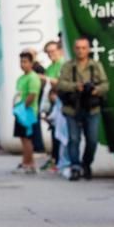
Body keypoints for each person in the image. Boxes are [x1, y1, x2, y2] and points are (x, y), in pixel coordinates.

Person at [56, 37, 108, 181]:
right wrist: (75, 87)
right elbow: (60, 85)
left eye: (84, 48)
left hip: (91, 109)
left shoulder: (95, 66)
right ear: (74, 49)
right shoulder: (68, 66)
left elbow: (105, 85)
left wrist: (95, 90)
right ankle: (75, 167)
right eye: (78, 48)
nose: (81, 51)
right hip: (72, 108)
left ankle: (86, 164)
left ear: (88, 49)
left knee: (92, 140)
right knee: (74, 139)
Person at [12, 51, 41, 174]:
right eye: (21, 62)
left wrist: (23, 108)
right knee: (23, 139)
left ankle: (27, 164)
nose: (22, 64)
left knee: (27, 139)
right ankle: (29, 162)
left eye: (25, 62)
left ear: (31, 63)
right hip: (20, 112)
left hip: (28, 112)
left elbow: (32, 95)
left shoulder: (33, 77)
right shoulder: (21, 78)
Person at [39, 40, 65, 171]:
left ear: (60, 50)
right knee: (54, 134)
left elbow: (60, 82)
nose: (50, 54)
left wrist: (45, 79)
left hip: (61, 103)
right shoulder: (50, 67)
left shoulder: (63, 64)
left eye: (53, 51)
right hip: (50, 104)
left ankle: (59, 160)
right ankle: (54, 159)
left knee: (60, 134)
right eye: (48, 52)